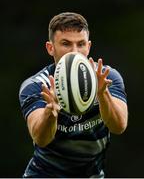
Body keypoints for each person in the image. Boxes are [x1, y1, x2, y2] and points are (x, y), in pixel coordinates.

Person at [19, 12, 128, 178]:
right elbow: (40, 139)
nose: (75, 52)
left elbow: (119, 126)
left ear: (89, 47)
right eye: (66, 44)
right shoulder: (37, 86)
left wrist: (102, 93)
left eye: (81, 44)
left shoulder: (107, 77)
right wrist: (51, 112)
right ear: (50, 48)